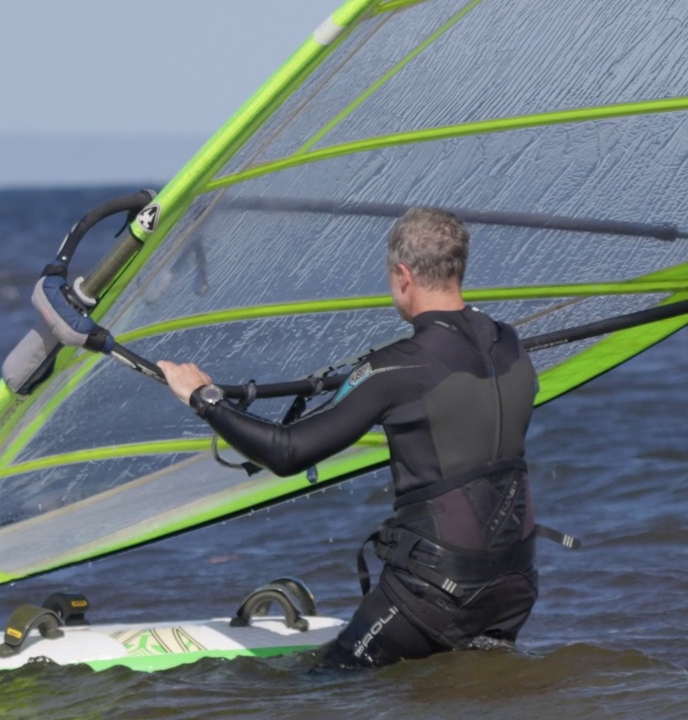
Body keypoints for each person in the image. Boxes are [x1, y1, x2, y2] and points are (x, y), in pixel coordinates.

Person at [158, 207, 540, 668]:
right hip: (514, 585)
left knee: (322, 685)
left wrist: (203, 399)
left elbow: (287, 452)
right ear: (458, 267)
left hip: (433, 594)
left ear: (403, 275)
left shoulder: (395, 367)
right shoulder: (511, 344)